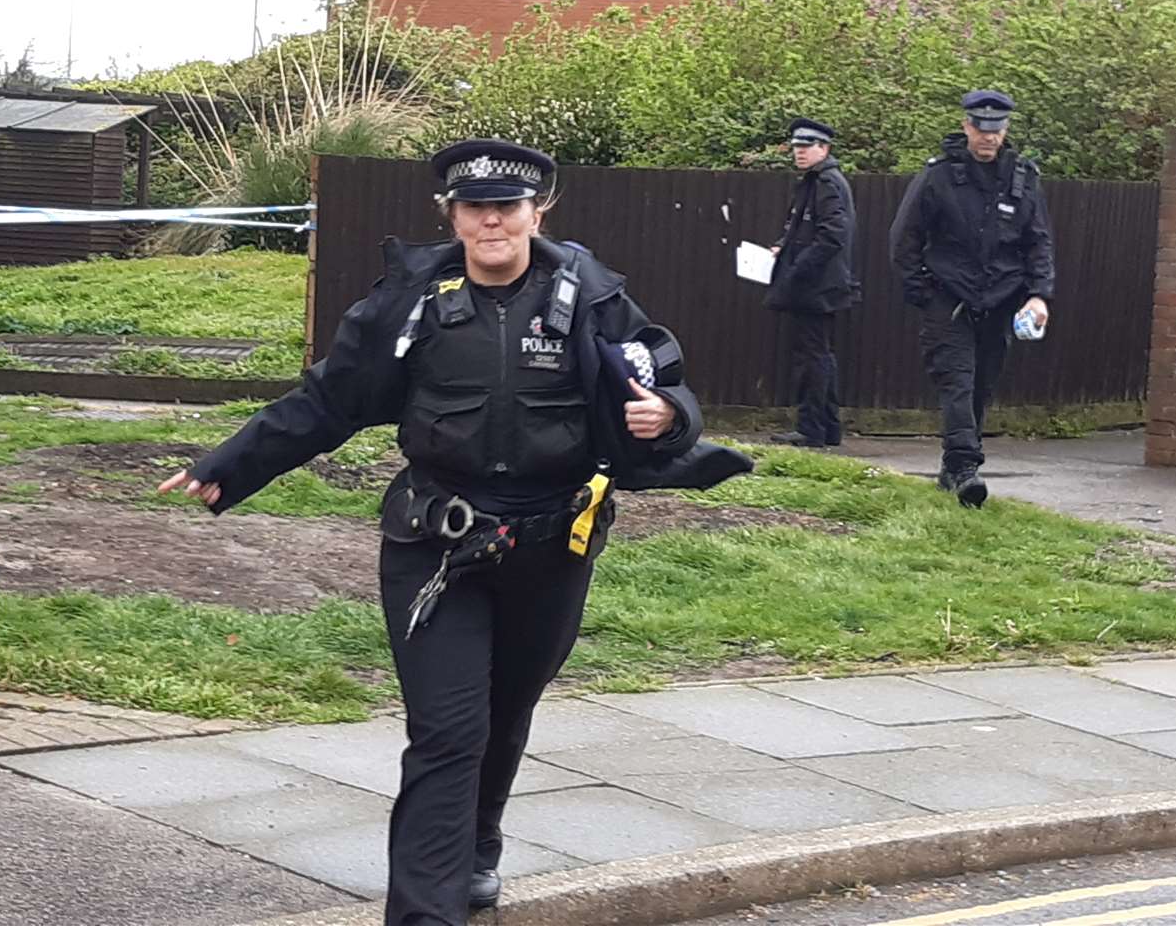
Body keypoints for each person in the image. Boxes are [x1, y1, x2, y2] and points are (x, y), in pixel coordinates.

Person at [157, 138, 750, 926]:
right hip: (436, 549)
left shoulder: (593, 298)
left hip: (553, 548)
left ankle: (478, 847)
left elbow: (661, 383)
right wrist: (233, 462)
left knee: (506, 716)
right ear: (453, 215)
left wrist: (671, 415)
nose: (494, 221)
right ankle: (425, 915)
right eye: (477, 207)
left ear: (539, 211)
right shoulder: (408, 304)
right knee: (447, 733)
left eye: (509, 206)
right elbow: (329, 400)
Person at [889, 90, 1055, 508]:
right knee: (957, 381)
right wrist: (922, 293)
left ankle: (952, 469)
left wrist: (1039, 295)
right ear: (966, 127)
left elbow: (1039, 242)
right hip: (948, 298)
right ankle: (966, 469)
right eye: (981, 129)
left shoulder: (1023, 176)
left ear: (1006, 130)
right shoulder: (938, 176)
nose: (988, 138)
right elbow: (904, 239)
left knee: (981, 385)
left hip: (1000, 301)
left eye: (996, 130)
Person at [765, 117, 858, 448]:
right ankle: (827, 428)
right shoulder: (814, 181)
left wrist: (796, 270)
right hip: (818, 284)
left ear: (825, 148)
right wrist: (782, 247)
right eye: (797, 147)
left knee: (811, 358)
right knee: (820, 355)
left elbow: (832, 236)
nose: (800, 153)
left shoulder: (827, 183)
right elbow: (802, 229)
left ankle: (812, 430)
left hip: (817, 286)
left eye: (807, 147)